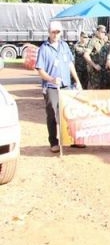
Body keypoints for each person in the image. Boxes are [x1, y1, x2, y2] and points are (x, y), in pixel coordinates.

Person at [35, 20, 82, 152]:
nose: (55, 34)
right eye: (53, 32)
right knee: (52, 114)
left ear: (61, 33)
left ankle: (72, 139)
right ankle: (53, 142)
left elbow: (70, 64)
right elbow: (40, 70)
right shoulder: (44, 48)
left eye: (58, 32)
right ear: (49, 33)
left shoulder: (65, 46)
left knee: (69, 113)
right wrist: (51, 79)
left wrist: (77, 81)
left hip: (66, 86)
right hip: (51, 87)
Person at [83, 25, 107, 89]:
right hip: (95, 72)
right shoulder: (93, 41)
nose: (103, 34)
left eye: (104, 32)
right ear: (97, 32)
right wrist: (94, 65)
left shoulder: (104, 41)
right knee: (94, 90)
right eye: (102, 32)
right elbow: (86, 55)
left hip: (104, 71)